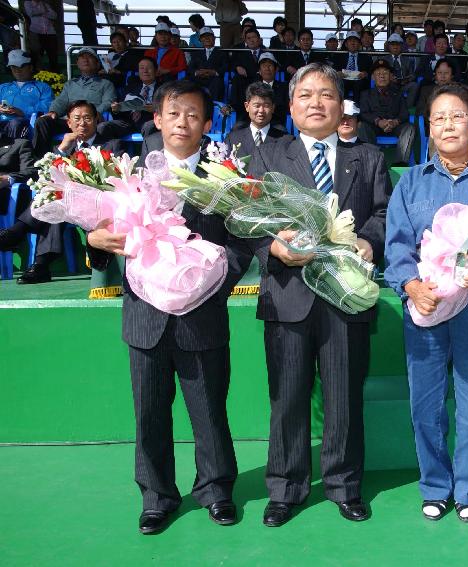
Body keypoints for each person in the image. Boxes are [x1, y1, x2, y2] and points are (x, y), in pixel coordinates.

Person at [88, 81, 245, 535]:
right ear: (157, 119)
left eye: (194, 114)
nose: (183, 122)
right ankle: (157, 496)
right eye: (174, 113)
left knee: (210, 409)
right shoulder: (130, 174)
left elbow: (240, 245)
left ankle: (216, 490)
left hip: (202, 315)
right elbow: (101, 232)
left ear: (208, 123)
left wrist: (209, 280)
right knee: (150, 412)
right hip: (146, 318)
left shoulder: (224, 177)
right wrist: (96, 240)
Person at [252, 62, 389, 527]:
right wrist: (272, 247)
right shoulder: (269, 157)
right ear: (290, 107)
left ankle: (344, 485)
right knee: (287, 396)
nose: (317, 103)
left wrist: (370, 240)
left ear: (341, 105)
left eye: (326, 94)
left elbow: (384, 213)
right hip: (288, 294)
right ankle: (286, 488)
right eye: (306, 95)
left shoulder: (367, 157)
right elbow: (246, 218)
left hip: (345, 296)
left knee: (344, 396)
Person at [384, 82, 468, 523]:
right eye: (439, 117)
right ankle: (434, 485)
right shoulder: (410, 182)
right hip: (426, 307)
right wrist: (410, 287)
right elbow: (396, 249)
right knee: (425, 402)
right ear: (428, 128)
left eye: (457, 115)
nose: (448, 124)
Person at [1, 100, 123, 284]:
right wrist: (61, 150)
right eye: (77, 118)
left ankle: (17, 234)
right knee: (56, 202)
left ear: (96, 120)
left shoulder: (111, 145)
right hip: (66, 204)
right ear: (69, 123)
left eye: (87, 118)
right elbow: (44, 174)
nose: (82, 123)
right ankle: (40, 265)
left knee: (58, 201)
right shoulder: (64, 148)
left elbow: (117, 176)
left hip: (98, 203)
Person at [33, 48, 116, 155]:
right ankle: (41, 160)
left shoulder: (106, 84)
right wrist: (53, 111)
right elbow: (61, 100)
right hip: (69, 121)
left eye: (89, 57)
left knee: (99, 125)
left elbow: (108, 101)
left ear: (97, 63)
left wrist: (93, 114)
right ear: (77, 63)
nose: (85, 59)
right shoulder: (70, 84)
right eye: (82, 57)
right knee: (43, 121)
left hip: (90, 121)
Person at [358, 59, 416, 165]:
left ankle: (400, 163)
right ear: (373, 77)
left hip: (394, 126)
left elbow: (404, 114)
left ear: (390, 76)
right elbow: (364, 113)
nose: (382, 75)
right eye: (378, 73)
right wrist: (378, 122)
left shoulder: (398, 93)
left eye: (385, 72)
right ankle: (372, 162)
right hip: (374, 126)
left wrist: (395, 122)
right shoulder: (366, 94)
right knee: (362, 126)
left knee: (410, 128)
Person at [224, 82, 290, 159]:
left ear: (273, 107)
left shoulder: (285, 140)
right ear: (247, 106)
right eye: (257, 106)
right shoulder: (232, 139)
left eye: (266, 106)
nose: (261, 110)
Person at [101, 56, 158, 138]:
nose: (145, 71)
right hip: (128, 122)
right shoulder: (130, 88)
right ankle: (114, 149)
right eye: (142, 68)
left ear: (156, 71)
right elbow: (119, 109)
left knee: (149, 126)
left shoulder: (164, 88)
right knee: (104, 127)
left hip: (149, 120)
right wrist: (116, 109)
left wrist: (155, 109)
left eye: (149, 68)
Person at [0, 50, 53, 139]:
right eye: (13, 67)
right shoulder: (3, 87)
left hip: (25, 124)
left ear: (31, 67)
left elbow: (46, 108)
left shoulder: (42, 87)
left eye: (21, 66)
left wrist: (22, 112)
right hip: (2, 122)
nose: (17, 70)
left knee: (16, 123)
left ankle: (11, 151)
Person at [188, 27, 229, 102]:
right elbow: (190, 67)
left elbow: (225, 66)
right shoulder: (196, 53)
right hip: (199, 78)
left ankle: (214, 106)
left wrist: (214, 72)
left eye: (209, 36)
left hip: (214, 78)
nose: (207, 38)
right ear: (200, 40)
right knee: (187, 81)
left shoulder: (222, 52)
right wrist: (197, 72)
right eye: (204, 37)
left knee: (217, 83)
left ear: (214, 38)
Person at [23, 0, 59, 72]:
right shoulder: (27, 3)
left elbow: (54, 15)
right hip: (36, 31)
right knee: (36, 52)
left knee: (52, 54)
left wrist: (40, 12)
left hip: (50, 32)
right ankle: (36, 71)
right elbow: (30, 13)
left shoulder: (45, 4)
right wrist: (44, 12)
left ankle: (54, 72)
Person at [384, 33, 419, 106]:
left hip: (404, 85)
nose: (395, 47)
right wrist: (389, 78)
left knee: (414, 85)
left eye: (398, 44)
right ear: (389, 46)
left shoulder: (407, 59)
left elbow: (413, 75)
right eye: (393, 44)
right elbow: (379, 74)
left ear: (402, 46)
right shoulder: (384, 59)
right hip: (390, 84)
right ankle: (390, 109)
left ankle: (407, 109)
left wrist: (407, 80)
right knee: (388, 85)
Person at [337, 31, 372, 100]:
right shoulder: (339, 56)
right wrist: (338, 72)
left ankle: (358, 108)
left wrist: (366, 73)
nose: (353, 43)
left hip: (359, 80)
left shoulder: (366, 57)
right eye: (350, 41)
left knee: (360, 84)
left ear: (359, 44)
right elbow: (334, 68)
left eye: (355, 41)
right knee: (341, 83)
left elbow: (370, 70)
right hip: (344, 79)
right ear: (346, 44)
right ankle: (342, 107)